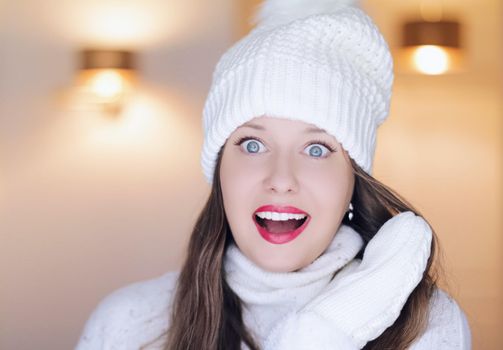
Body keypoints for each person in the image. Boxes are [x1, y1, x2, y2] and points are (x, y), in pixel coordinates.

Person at [75, 0, 472, 349]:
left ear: (353, 179)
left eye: (317, 149)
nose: (281, 178)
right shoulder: (128, 325)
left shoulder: (425, 325)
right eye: (252, 145)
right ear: (220, 171)